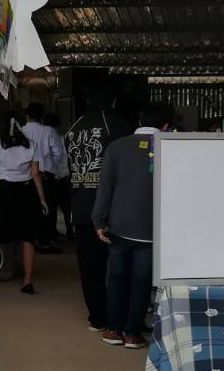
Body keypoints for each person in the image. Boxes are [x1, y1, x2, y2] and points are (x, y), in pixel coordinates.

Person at [93, 104, 171, 349]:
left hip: (119, 225)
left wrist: (98, 220)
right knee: (141, 281)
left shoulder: (117, 147)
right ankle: (132, 332)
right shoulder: (170, 148)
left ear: (139, 119)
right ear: (165, 126)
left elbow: (106, 186)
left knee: (117, 278)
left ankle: (113, 329)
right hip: (152, 228)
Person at [65, 90, 132, 331]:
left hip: (81, 207)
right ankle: (120, 318)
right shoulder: (118, 125)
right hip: (113, 209)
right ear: (112, 101)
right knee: (119, 267)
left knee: (89, 268)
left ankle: (97, 317)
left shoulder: (74, 128)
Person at [0, 114, 48, 295]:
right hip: (26, 193)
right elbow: (35, 174)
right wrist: (42, 199)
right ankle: (27, 280)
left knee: (0, 234)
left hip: (4, 192)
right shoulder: (31, 145)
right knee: (27, 237)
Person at [21, 103, 67, 251]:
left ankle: (30, 241)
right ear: (41, 116)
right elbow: (58, 152)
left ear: (26, 115)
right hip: (46, 175)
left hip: (26, 175)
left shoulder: (20, 131)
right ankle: (45, 242)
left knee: (29, 209)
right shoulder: (48, 131)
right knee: (48, 208)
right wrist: (51, 166)